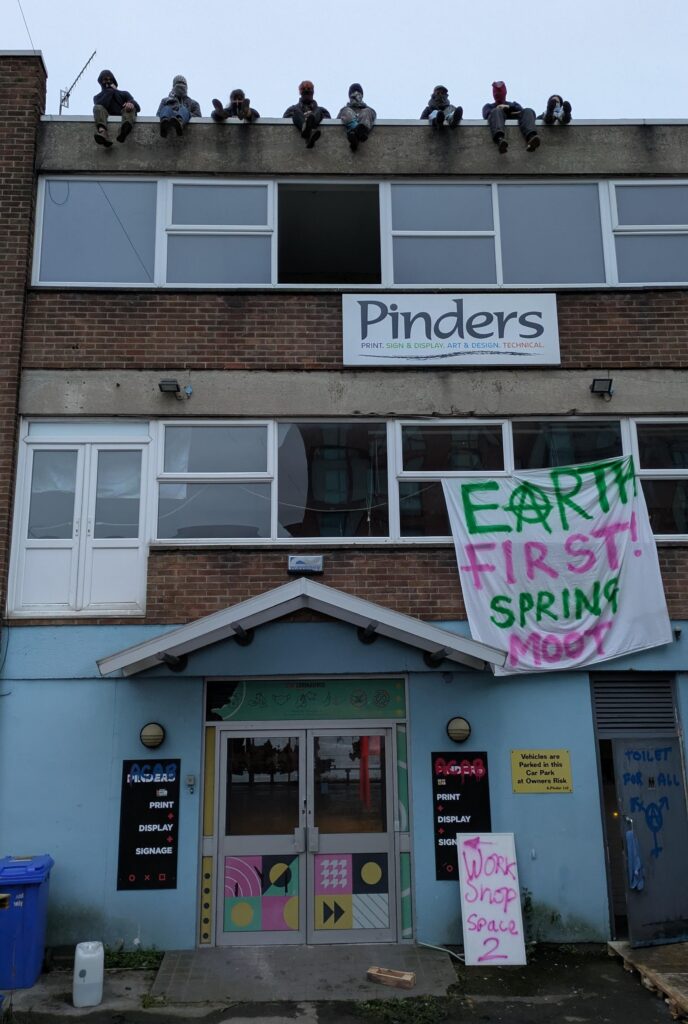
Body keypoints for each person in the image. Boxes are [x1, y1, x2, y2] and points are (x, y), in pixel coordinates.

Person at [482, 81, 539, 153]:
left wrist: (509, 107)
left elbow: (523, 112)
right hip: (497, 122)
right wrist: (498, 109)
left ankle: (531, 137)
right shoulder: (489, 106)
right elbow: (486, 115)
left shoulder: (513, 105)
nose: (499, 95)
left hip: (515, 117)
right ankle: (500, 140)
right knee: (496, 112)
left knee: (528, 110)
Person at [92, 69, 140, 147]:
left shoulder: (124, 93)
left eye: (110, 79)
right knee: (97, 107)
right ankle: (103, 132)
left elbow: (138, 107)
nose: (108, 81)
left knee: (131, 108)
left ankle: (125, 129)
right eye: (105, 79)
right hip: (107, 115)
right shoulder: (97, 97)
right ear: (101, 82)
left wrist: (130, 104)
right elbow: (102, 104)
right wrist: (110, 91)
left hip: (124, 115)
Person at [283, 81, 331, 149]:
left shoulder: (321, 110)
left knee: (318, 111)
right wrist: (302, 118)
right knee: (296, 111)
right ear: (300, 92)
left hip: (315, 122)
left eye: (309, 89)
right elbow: (285, 123)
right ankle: (307, 129)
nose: (306, 91)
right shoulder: (293, 109)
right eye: (303, 89)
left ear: (313, 92)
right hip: (300, 127)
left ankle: (309, 128)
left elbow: (329, 124)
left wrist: (313, 117)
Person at [338, 83, 376, 151]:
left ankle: (357, 135)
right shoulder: (345, 109)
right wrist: (352, 103)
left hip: (362, 128)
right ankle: (357, 132)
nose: (356, 93)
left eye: (358, 92)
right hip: (351, 128)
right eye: (353, 92)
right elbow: (337, 121)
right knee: (346, 111)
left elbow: (373, 114)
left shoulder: (367, 109)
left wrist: (360, 104)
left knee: (367, 111)